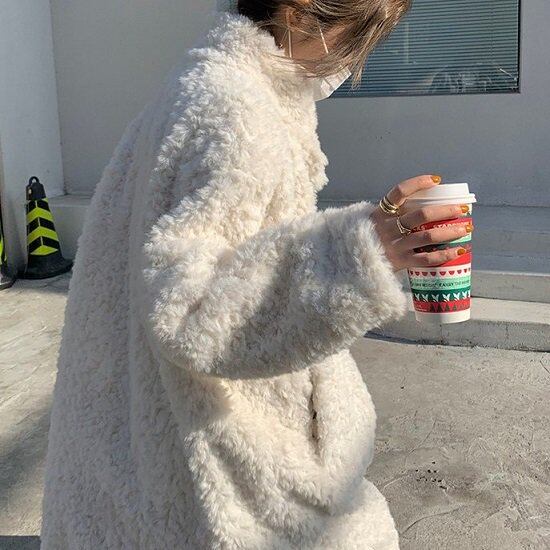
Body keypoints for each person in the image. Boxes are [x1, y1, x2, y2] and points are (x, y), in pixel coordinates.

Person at [40, 1, 473, 548]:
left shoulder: (205, 82)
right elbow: (191, 309)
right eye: (357, 35)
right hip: (213, 449)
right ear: (299, 12)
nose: (356, 60)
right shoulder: (236, 108)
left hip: (148, 426)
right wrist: (358, 251)